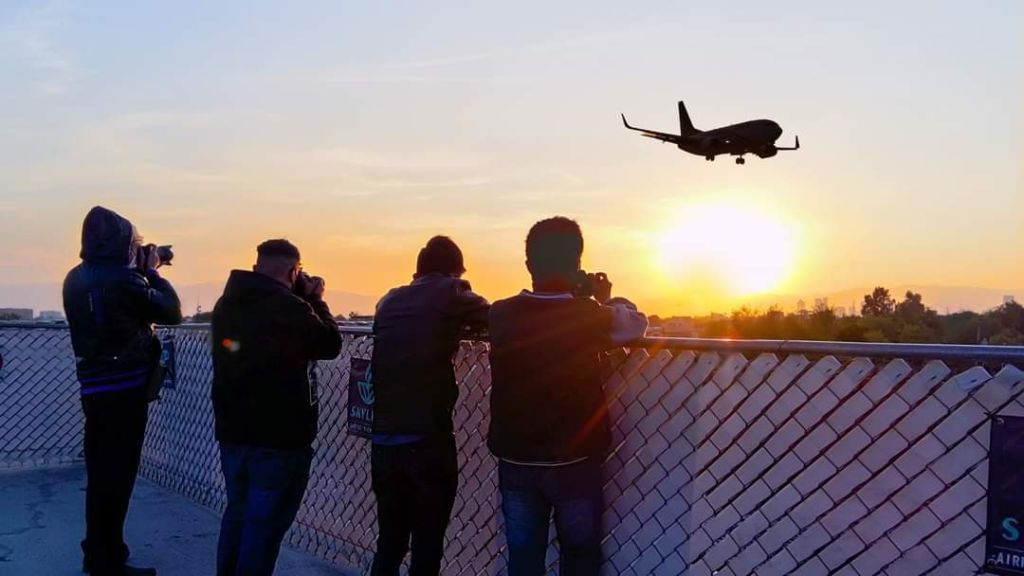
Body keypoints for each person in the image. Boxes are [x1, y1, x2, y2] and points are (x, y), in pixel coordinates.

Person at [487, 217, 648, 576]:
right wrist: (599, 298)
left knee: (524, 557)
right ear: (577, 265)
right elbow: (636, 324)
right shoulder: (588, 314)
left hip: (516, 457)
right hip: (575, 460)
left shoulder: (499, 314)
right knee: (579, 556)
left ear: (528, 264)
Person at [211, 239, 342, 576]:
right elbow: (329, 343)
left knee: (238, 513)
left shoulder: (227, 303)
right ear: (293, 271)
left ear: (257, 267)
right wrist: (315, 299)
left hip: (233, 431)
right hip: (279, 437)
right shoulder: (290, 308)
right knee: (265, 527)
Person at [63, 206, 183, 576]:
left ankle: (100, 550)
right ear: (122, 244)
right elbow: (172, 312)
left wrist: (141, 269)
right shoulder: (124, 281)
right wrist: (151, 272)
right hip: (124, 390)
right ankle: (106, 562)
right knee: (117, 477)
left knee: (102, 474)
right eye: (136, 243)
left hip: (95, 388)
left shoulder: (75, 277)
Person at [369, 236, 490, 576]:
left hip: (383, 438)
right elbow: (491, 317)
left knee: (390, 542)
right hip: (427, 438)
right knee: (427, 542)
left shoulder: (387, 301)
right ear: (454, 269)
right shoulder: (452, 291)